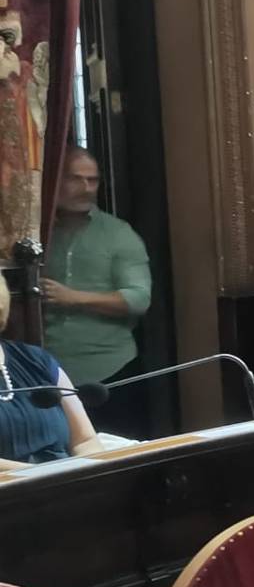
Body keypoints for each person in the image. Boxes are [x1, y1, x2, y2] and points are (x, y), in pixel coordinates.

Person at [43, 149, 152, 389]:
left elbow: (138, 299)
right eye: (75, 179)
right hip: (43, 371)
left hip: (109, 370)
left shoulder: (118, 234)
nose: (86, 188)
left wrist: (73, 298)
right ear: (53, 180)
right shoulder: (35, 232)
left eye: (92, 180)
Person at [0, 283, 103, 468]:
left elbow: (85, 440)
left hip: (67, 485)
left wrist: (87, 474)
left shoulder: (36, 359)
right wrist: (44, 475)